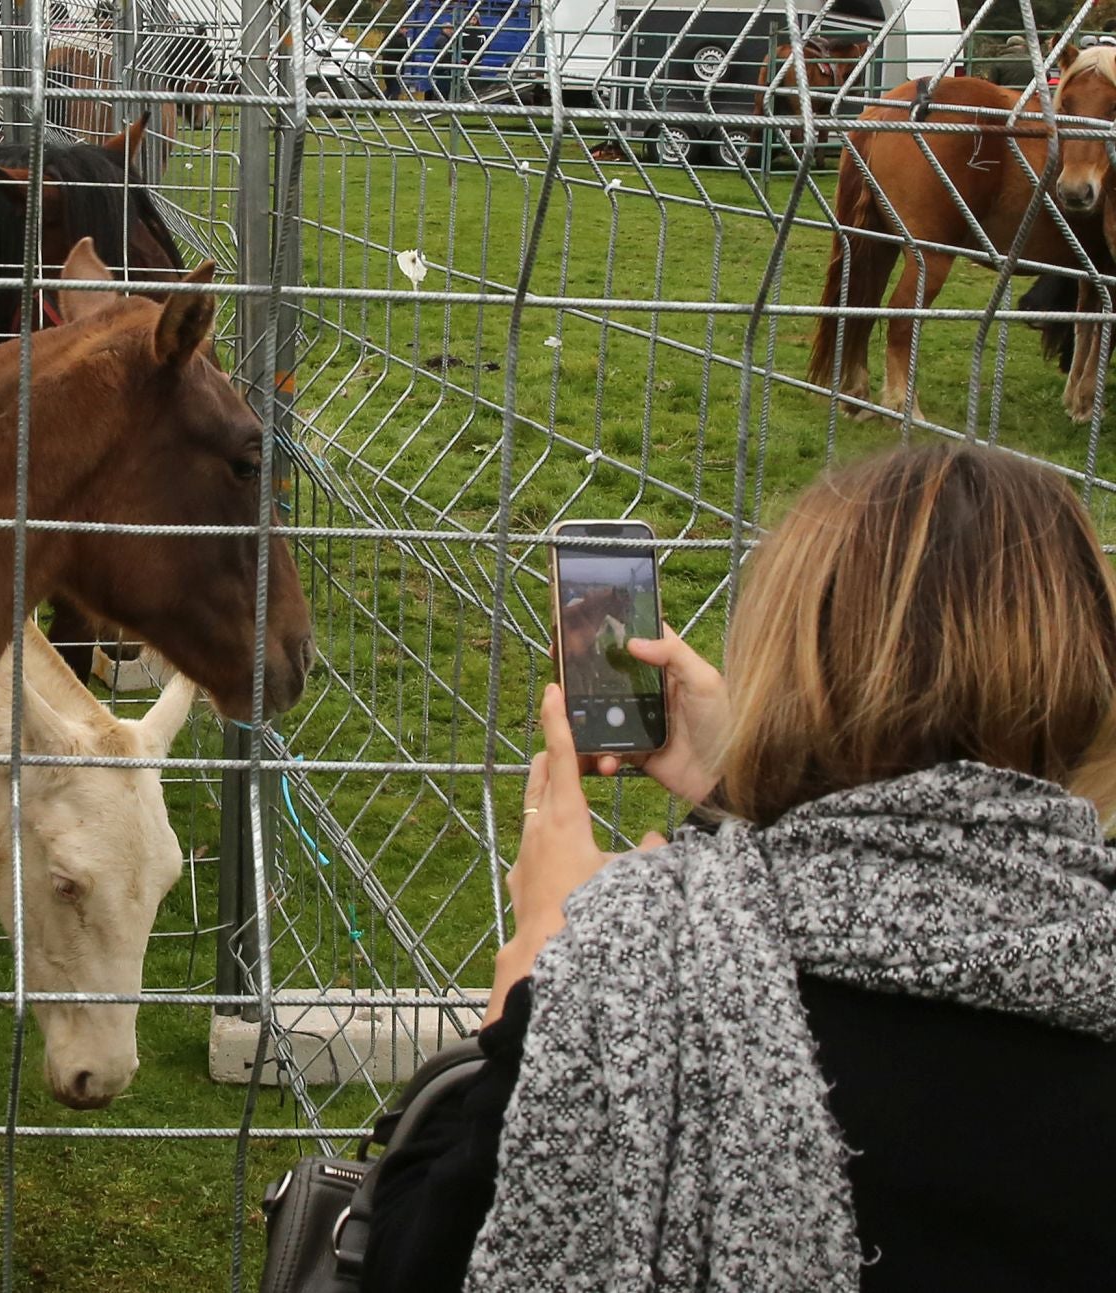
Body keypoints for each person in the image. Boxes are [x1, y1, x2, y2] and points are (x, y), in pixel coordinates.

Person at [362, 442, 1116, 1292]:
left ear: (792, 660)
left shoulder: (645, 972)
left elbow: (423, 1258)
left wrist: (543, 965)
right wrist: (741, 787)